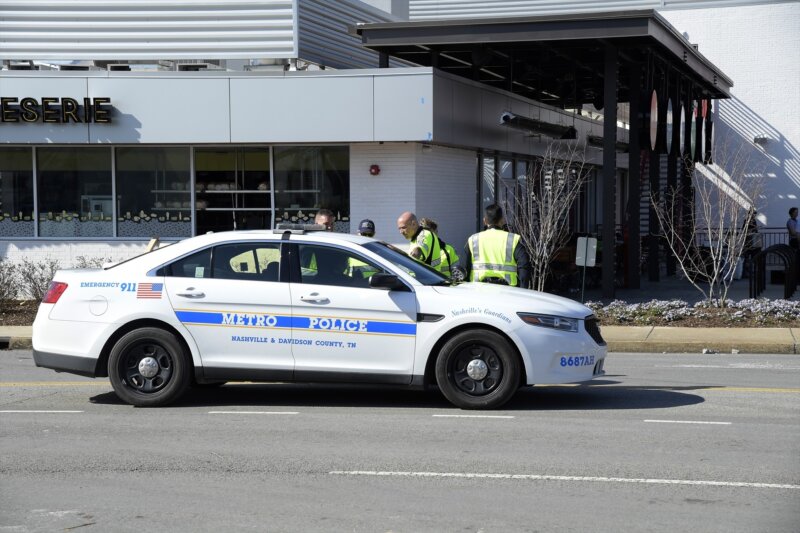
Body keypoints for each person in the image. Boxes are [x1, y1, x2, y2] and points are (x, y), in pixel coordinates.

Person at [463, 204, 530, 288]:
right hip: (508, 292)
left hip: (478, 291)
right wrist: (523, 290)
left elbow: (465, 269)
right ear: (502, 220)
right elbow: (524, 266)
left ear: (485, 221)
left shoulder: (473, 240)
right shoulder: (512, 239)